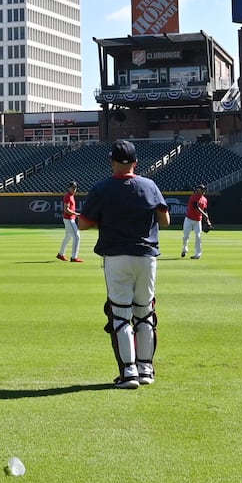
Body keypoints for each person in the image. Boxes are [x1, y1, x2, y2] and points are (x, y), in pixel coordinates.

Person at [76, 140, 171, 390]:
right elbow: (165, 219)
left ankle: (129, 373)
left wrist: (108, 221)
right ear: (136, 163)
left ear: (113, 163)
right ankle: (146, 369)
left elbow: (83, 224)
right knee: (145, 313)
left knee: (120, 314)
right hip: (147, 256)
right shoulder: (149, 185)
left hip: (117, 257)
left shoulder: (102, 188)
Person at [180, 184, 210, 260]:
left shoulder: (204, 199)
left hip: (198, 220)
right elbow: (196, 207)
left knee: (198, 236)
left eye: (204, 189)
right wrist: (204, 215)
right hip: (189, 219)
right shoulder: (193, 197)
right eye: (202, 189)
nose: (203, 190)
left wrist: (208, 220)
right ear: (198, 190)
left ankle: (198, 254)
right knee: (186, 236)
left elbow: (205, 210)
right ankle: (184, 249)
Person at [55, 180, 83, 262]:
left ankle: (60, 254)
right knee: (77, 237)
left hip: (70, 219)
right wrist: (76, 214)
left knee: (68, 237)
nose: (74, 189)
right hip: (69, 219)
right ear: (69, 188)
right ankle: (74, 257)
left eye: (75, 187)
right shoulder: (68, 196)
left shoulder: (71, 195)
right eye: (72, 187)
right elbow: (66, 210)